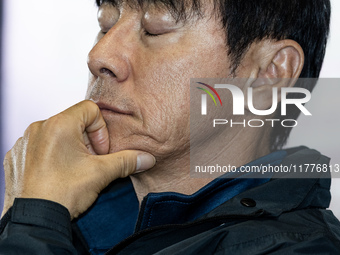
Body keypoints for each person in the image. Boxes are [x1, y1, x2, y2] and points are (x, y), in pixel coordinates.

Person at [1, 0, 340, 254]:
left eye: (155, 29)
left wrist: (34, 220)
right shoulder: (68, 215)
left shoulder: (300, 249)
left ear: (270, 73)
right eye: (105, 25)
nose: (99, 55)